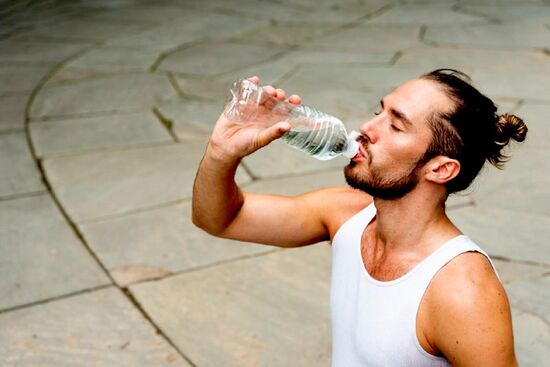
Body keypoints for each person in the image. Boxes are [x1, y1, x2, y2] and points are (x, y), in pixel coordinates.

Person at [192, 69, 527, 366]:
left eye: (395, 125)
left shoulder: (461, 290)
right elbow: (221, 218)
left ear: (440, 168)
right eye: (378, 111)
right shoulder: (346, 214)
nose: (367, 127)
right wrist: (221, 153)